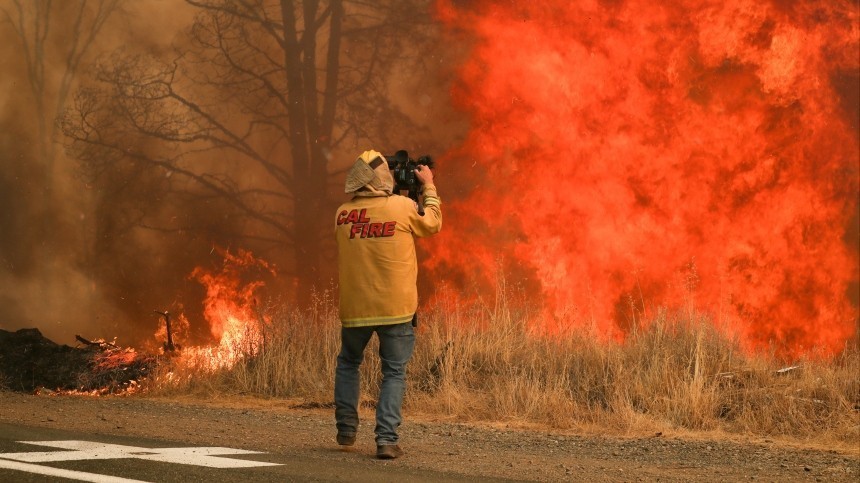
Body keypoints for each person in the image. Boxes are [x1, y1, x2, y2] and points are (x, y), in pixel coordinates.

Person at [333, 149, 442, 459]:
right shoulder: (402, 207)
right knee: (393, 373)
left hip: (355, 309)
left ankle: (346, 429)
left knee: (348, 363)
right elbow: (432, 223)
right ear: (383, 177)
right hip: (396, 308)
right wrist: (428, 186)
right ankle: (386, 441)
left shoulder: (341, 214)